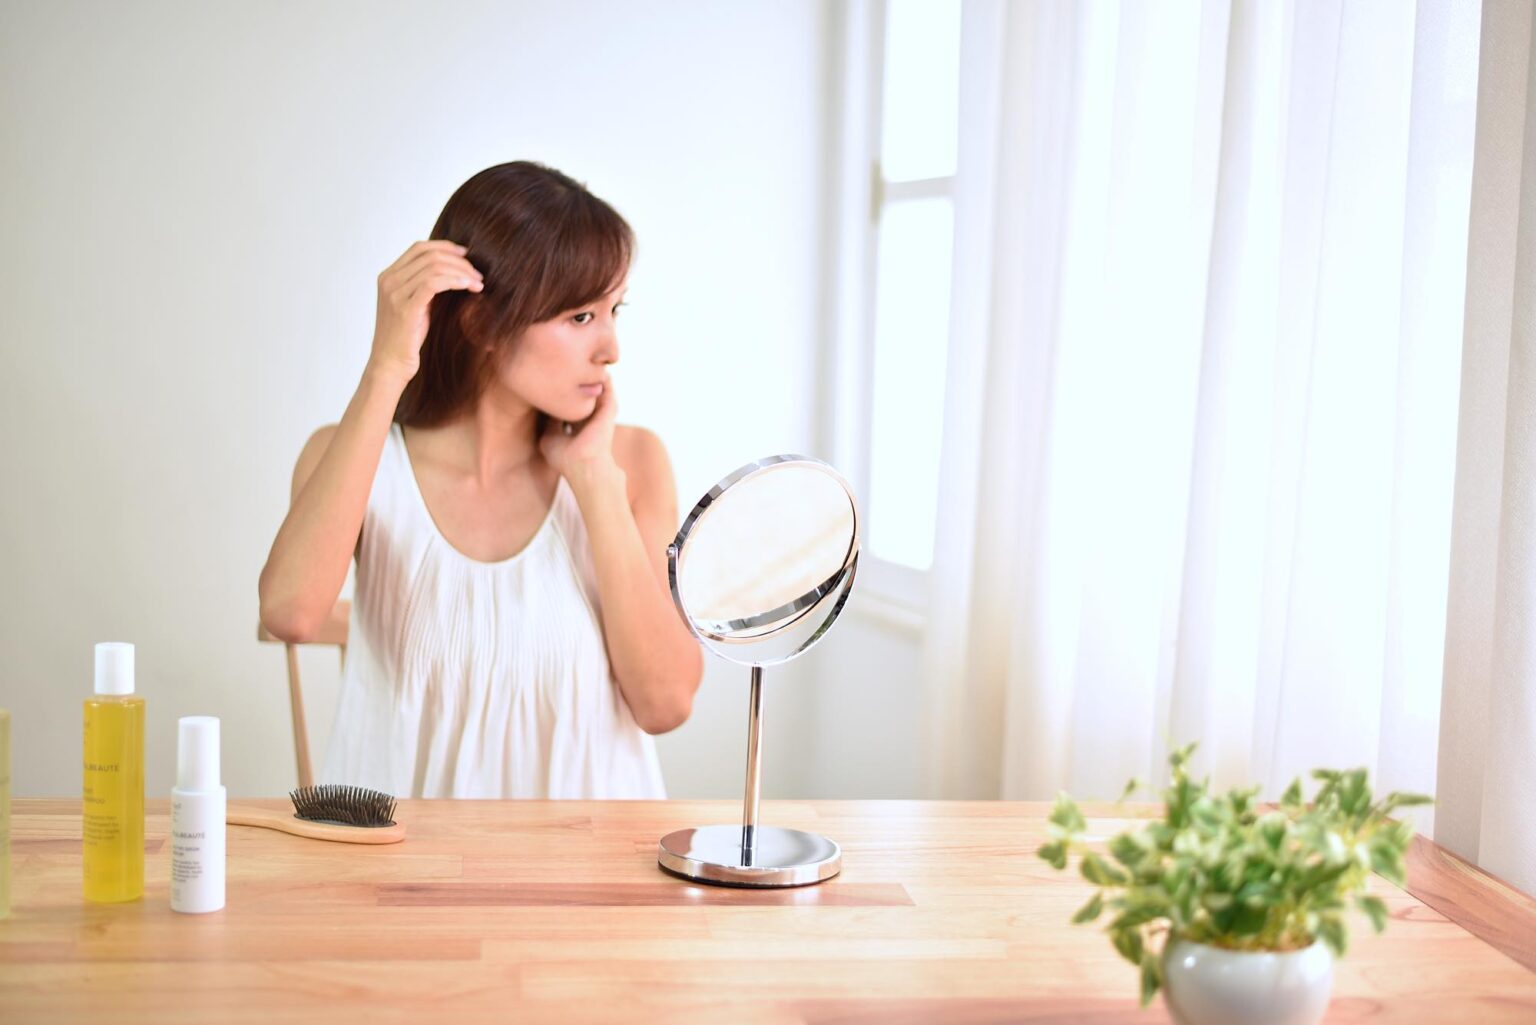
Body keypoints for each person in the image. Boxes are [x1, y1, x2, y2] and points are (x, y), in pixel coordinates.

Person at [257, 161, 703, 798]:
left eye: (614, 310)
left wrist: (592, 478)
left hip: (590, 856)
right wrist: (387, 367)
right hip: (403, 856)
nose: (611, 349)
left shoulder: (632, 462)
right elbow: (290, 614)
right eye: (581, 317)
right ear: (481, 324)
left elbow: (666, 703)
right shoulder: (354, 458)